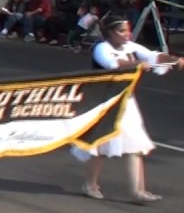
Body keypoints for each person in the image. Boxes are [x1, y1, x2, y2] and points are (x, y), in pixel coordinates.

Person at [71, 14, 182, 202]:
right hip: (103, 101)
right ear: (111, 32)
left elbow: (152, 56)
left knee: (135, 143)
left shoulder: (130, 47)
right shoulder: (101, 48)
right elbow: (113, 64)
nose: (127, 34)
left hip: (125, 100)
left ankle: (138, 191)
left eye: (128, 30)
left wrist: (173, 59)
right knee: (98, 144)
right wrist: (137, 64)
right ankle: (90, 184)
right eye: (122, 31)